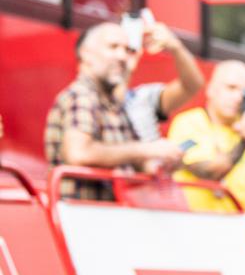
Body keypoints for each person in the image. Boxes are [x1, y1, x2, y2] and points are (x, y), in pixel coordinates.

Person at [45, 23, 183, 200]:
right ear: (86, 54)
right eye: (113, 47)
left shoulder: (114, 105)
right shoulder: (81, 96)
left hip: (108, 216)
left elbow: (134, 160)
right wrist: (147, 149)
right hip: (82, 216)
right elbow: (79, 154)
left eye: (127, 50)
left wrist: (163, 160)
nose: (122, 56)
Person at [167, 61, 245, 211]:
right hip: (190, 224)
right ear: (210, 89)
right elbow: (210, 172)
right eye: (230, 88)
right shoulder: (189, 122)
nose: (237, 97)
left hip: (238, 227)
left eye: (244, 92)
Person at [121, 15, 204, 141]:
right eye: (113, 47)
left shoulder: (141, 97)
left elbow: (192, 85)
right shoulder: (89, 102)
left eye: (130, 49)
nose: (120, 56)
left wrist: (175, 46)